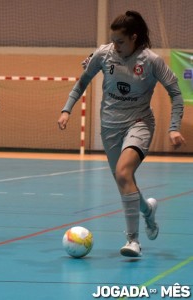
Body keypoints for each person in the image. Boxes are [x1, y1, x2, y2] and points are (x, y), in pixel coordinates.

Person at [57, 11, 186, 257]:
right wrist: (66, 109)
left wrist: (173, 127)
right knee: (124, 182)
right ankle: (147, 211)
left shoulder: (151, 61)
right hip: (110, 127)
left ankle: (133, 241)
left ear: (134, 38)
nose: (114, 46)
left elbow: (176, 93)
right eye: (112, 40)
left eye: (120, 41)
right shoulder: (104, 54)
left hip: (139, 123)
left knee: (124, 173)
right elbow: (82, 82)